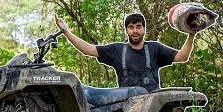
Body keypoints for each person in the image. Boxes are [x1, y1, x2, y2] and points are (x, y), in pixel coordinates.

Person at [55, 13, 196, 92]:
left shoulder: (155, 49)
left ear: (144, 29)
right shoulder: (117, 50)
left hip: (153, 105)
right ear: (126, 30)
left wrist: (191, 34)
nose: (135, 30)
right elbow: (87, 49)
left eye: (139, 27)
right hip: (126, 107)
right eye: (131, 27)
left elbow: (183, 57)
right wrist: (66, 32)